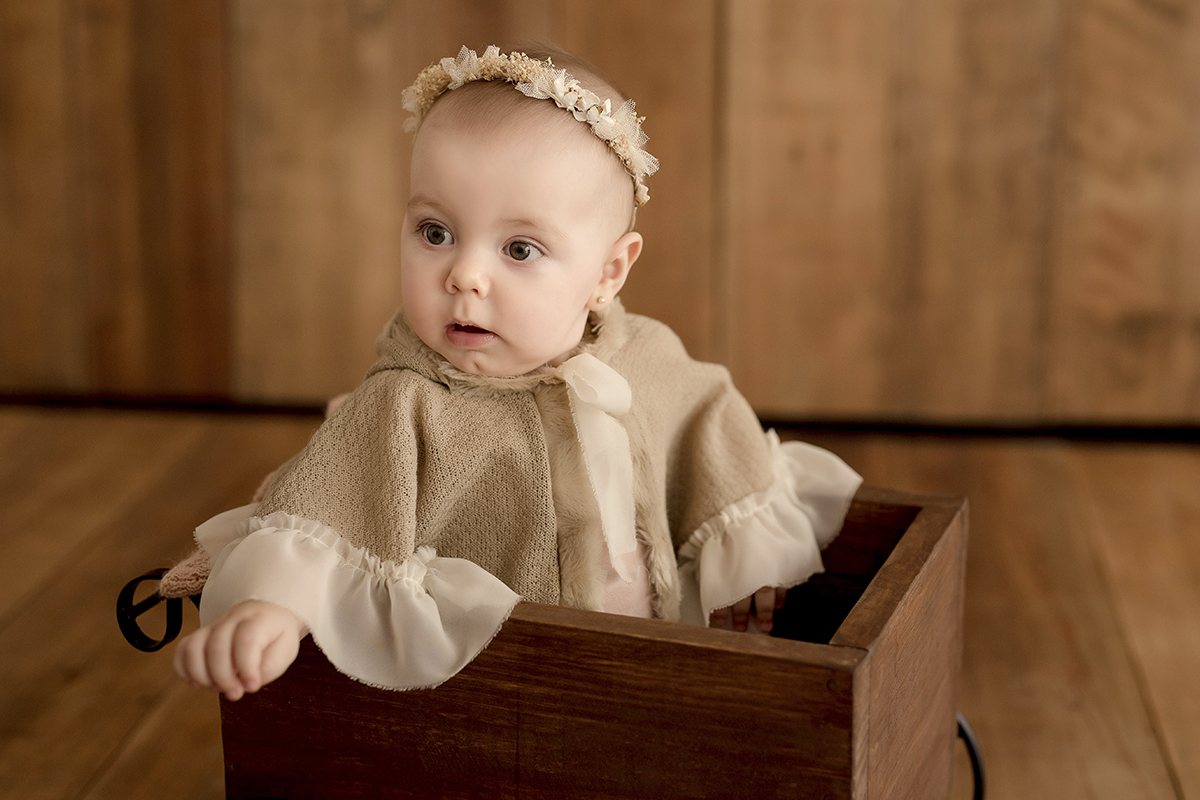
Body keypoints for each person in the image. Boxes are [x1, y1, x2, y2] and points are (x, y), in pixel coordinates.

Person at [172, 44, 862, 701]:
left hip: (658, 663)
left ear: (608, 272)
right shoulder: (406, 404)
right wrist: (271, 612)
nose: (465, 275)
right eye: (435, 232)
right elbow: (332, 507)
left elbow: (712, 428)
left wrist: (757, 570)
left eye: (520, 248)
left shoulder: (643, 357)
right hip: (499, 693)